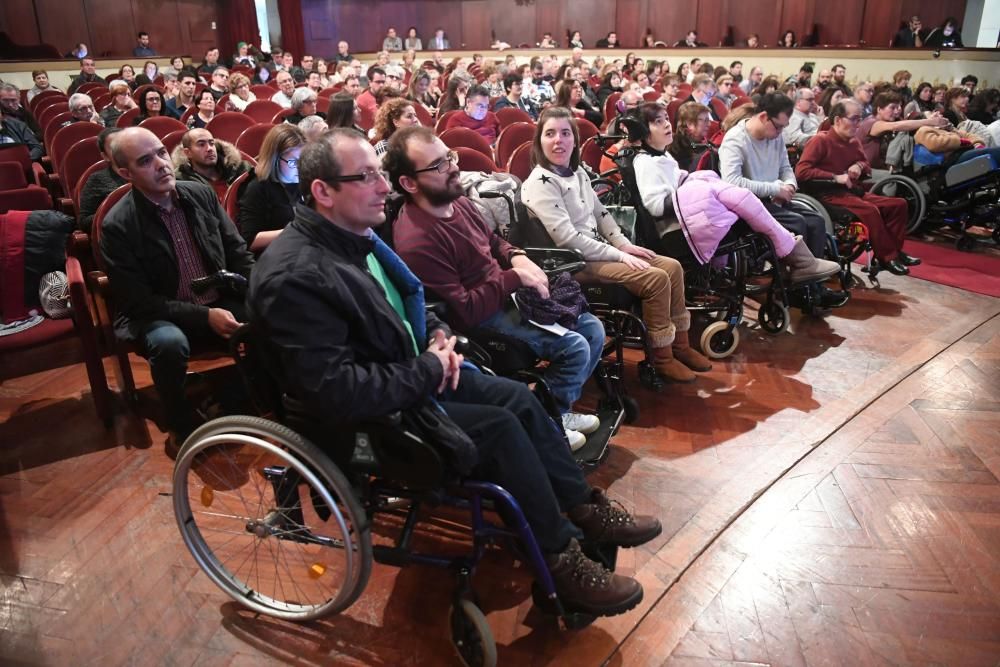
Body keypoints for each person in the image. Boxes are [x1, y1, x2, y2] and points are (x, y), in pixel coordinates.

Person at [248, 126, 660, 618]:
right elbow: (336, 392)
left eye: (381, 174)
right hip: (370, 417)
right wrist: (428, 364)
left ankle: (583, 507)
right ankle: (560, 557)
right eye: (367, 177)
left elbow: (414, 306)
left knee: (521, 400)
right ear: (323, 191)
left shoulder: (356, 237)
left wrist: (438, 335)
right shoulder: (294, 276)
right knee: (503, 428)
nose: (384, 187)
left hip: (411, 372)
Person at [386, 127, 607, 447]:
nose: (454, 168)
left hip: (505, 297)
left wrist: (516, 257)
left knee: (592, 328)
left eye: (450, 157)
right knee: (575, 347)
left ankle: (553, 409)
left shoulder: (455, 200)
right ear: (408, 182)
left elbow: (491, 240)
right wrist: (514, 278)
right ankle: (546, 423)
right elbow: (465, 309)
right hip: (481, 319)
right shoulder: (417, 240)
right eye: (439, 165)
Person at [522, 107, 708, 383]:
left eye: (565, 133)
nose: (558, 140)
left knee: (672, 267)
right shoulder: (540, 183)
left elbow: (602, 215)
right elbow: (568, 239)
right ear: (540, 141)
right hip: (570, 263)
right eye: (550, 134)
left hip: (596, 252)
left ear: (574, 139)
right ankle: (663, 358)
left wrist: (624, 245)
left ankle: (680, 346)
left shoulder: (577, 172)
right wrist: (618, 255)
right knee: (655, 278)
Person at [99, 127, 254, 447]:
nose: (160, 164)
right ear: (125, 173)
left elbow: (237, 252)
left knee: (268, 312)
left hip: (217, 297)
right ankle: (181, 420)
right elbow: (139, 302)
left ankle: (242, 398)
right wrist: (204, 316)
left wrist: (258, 288)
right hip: (160, 314)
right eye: (145, 161)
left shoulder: (200, 194)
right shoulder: (118, 225)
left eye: (161, 153)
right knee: (168, 344)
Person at [630, 101, 839, 283]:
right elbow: (655, 205)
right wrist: (690, 188)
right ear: (643, 131)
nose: (667, 124)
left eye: (667, 118)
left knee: (735, 195)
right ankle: (799, 258)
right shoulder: (645, 162)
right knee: (739, 195)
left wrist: (692, 182)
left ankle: (796, 257)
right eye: (658, 121)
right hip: (678, 223)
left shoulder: (663, 157)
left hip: (688, 211)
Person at [719, 93, 849, 309]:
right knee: (797, 222)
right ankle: (799, 290)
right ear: (763, 117)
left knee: (816, 222)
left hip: (773, 198)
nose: (781, 133)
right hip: (749, 204)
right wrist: (775, 188)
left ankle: (811, 286)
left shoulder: (775, 136)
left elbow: (786, 168)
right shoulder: (735, 140)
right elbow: (731, 182)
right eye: (779, 126)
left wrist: (790, 184)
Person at [794, 100, 918, 275]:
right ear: (838, 120)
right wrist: (835, 177)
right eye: (853, 119)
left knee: (899, 204)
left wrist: (859, 166)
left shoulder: (853, 142)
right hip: (828, 194)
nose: (858, 124)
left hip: (852, 191)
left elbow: (866, 164)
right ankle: (888, 257)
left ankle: (894, 252)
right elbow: (802, 171)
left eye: (859, 119)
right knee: (870, 210)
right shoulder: (820, 141)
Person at [237, 124, 306, 252]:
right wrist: (295, 230)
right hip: (276, 257)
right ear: (274, 159)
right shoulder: (257, 188)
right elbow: (249, 240)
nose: (300, 167)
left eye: (303, 160)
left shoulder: (305, 183)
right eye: (293, 162)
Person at [172, 128, 253, 201]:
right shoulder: (182, 182)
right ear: (188, 153)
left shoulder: (241, 169)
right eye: (201, 144)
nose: (209, 149)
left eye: (211, 143)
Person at [77, 127, 125, 233]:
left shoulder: (147, 172)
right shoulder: (97, 179)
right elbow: (84, 222)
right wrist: (114, 211)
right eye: (114, 147)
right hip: (117, 234)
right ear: (105, 156)